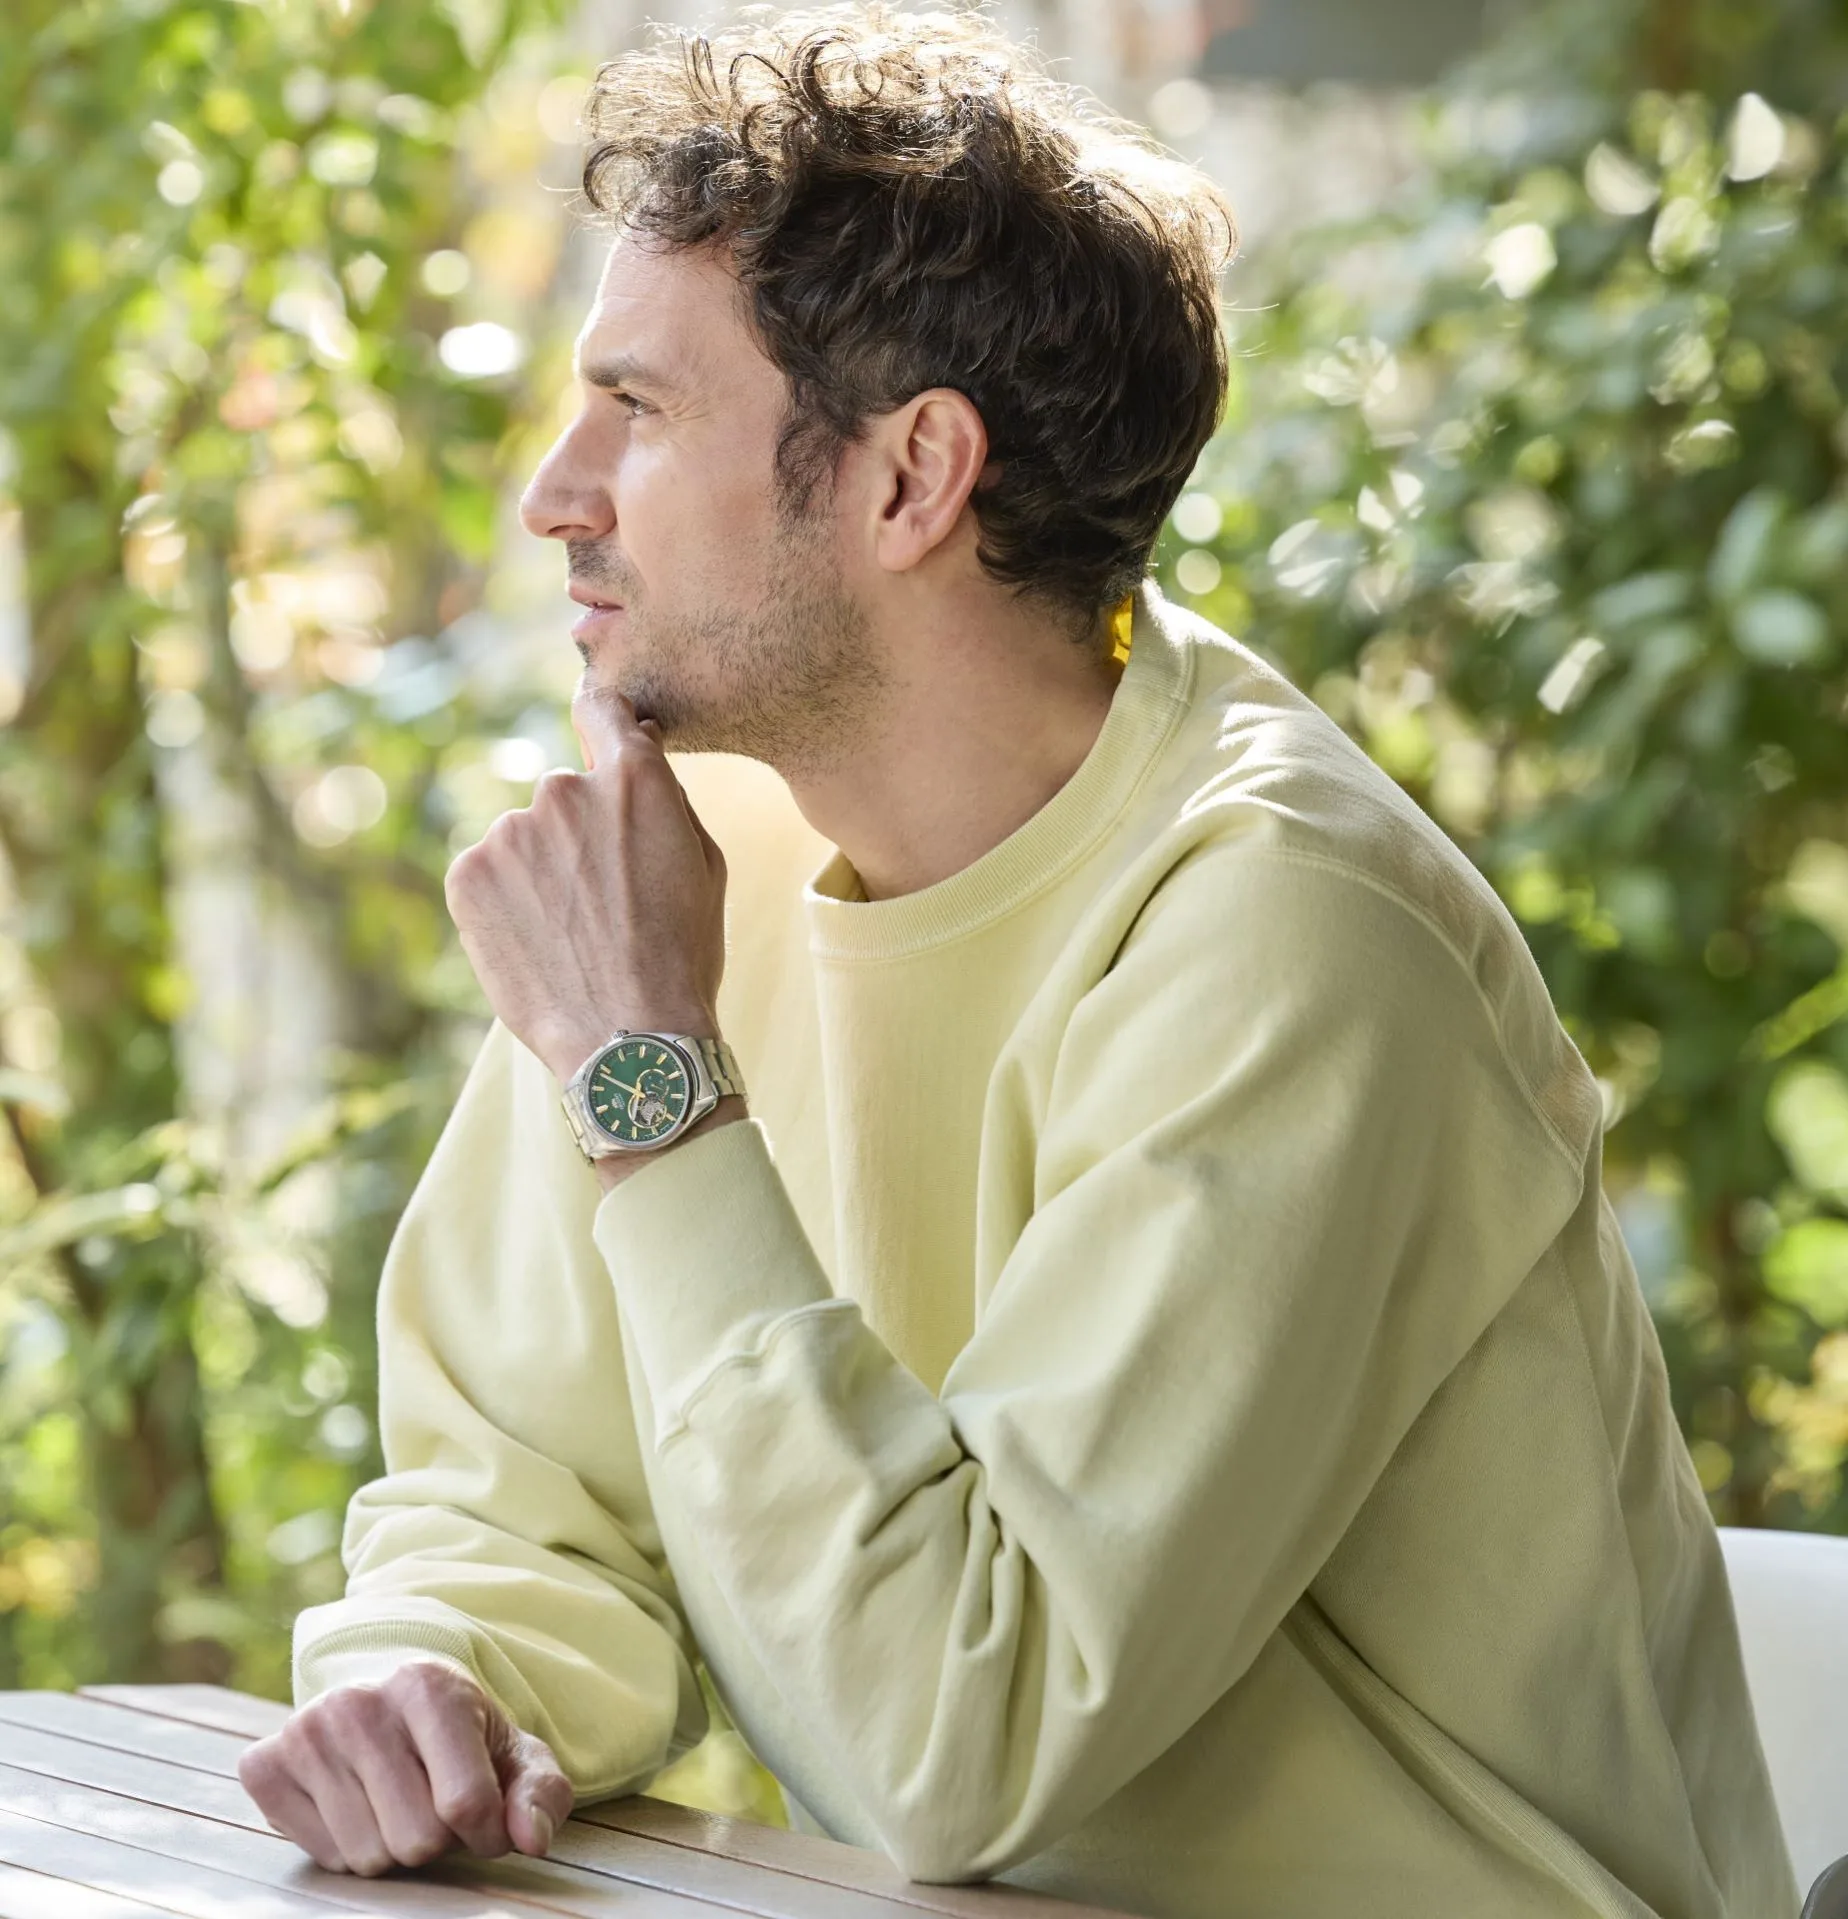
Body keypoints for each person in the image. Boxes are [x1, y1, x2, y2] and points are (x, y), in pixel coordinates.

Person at [236, 8, 1799, 1915]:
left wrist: (649, 1074)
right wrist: (442, 1677)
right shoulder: (697, 855)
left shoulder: (1286, 927)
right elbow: (524, 1486)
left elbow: (955, 1739)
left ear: (913, 477)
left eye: (638, 410)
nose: (556, 491)